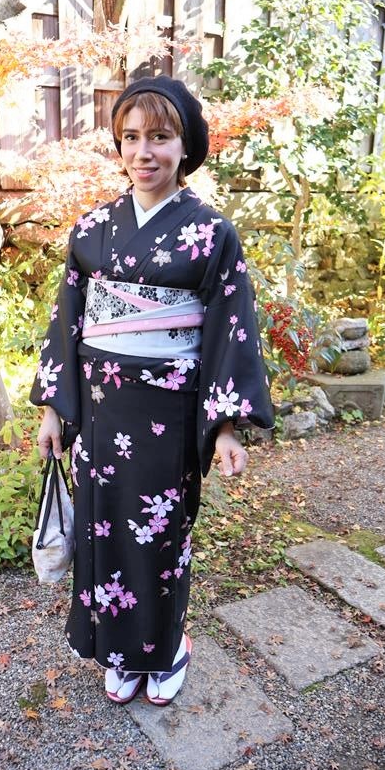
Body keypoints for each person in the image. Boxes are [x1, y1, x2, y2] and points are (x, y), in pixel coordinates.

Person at [30, 75, 274, 706]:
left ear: (185, 145)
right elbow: (68, 321)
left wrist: (224, 427)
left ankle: (164, 650)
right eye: (131, 137)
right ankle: (118, 651)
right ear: (119, 145)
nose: (144, 152)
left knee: (161, 534)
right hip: (101, 411)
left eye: (160, 137)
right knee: (105, 528)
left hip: (171, 413)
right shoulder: (92, 228)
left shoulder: (212, 232)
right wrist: (56, 408)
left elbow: (229, 329)